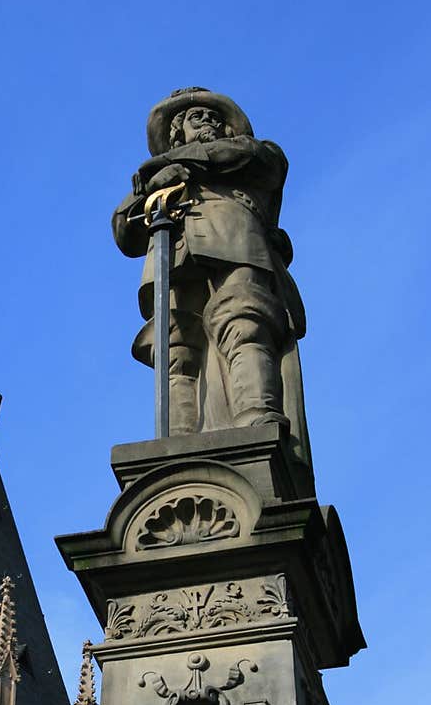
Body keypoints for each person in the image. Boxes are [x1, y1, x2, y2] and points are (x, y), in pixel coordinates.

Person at [112, 87, 311, 473]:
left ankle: (258, 417)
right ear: (176, 131)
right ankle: (178, 439)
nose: (208, 124)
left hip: (236, 242)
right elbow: (124, 230)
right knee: (175, 350)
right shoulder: (155, 178)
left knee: (245, 321)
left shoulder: (245, 154)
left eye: (213, 118)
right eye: (195, 118)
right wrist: (152, 187)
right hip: (173, 258)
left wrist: (178, 163)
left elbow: (263, 159)